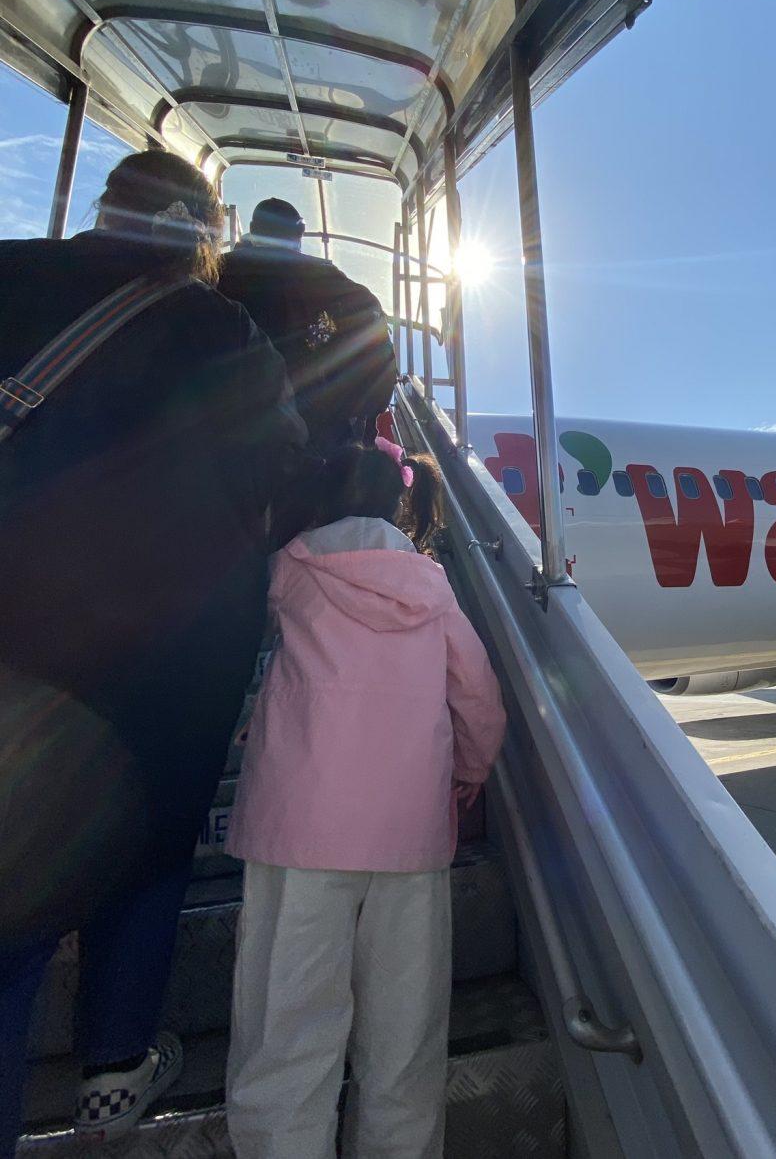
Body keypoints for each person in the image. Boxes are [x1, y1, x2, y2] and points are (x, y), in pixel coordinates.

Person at [0, 151, 306, 1154]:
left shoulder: (12, 273)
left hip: (22, 645)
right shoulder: (221, 330)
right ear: (202, 230)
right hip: (175, 663)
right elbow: (280, 474)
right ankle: (113, 1072)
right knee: (149, 855)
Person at [224, 440, 505, 1159]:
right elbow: (478, 695)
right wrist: (470, 768)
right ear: (397, 502)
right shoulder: (431, 585)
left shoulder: (290, 568)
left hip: (298, 830)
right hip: (409, 832)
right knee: (403, 1037)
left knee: (286, 1028)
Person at [218, 198, 398, 452]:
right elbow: (379, 373)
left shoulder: (213, 275)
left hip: (220, 440)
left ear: (252, 228)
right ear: (299, 235)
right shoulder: (334, 284)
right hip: (313, 445)